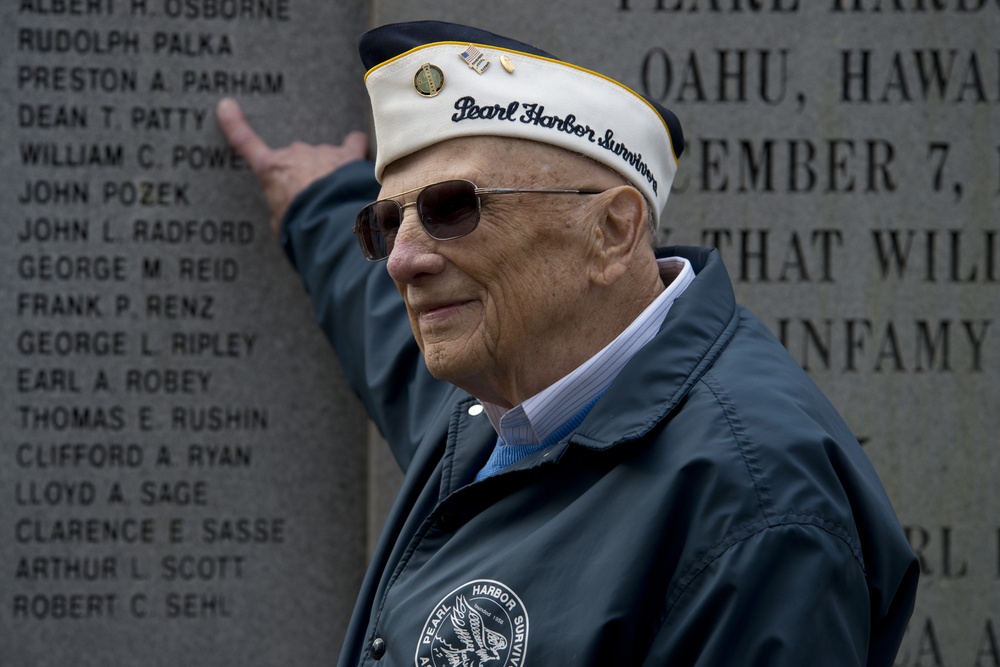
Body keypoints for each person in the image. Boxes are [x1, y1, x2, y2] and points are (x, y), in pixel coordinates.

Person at [217, 20, 918, 667]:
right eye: (385, 222)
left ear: (611, 233)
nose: (402, 260)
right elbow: (386, 335)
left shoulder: (757, 509)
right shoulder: (512, 384)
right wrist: (317, 204)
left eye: (453, 207)